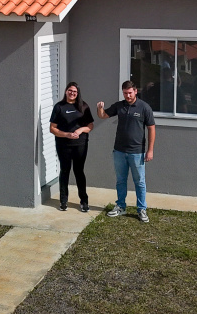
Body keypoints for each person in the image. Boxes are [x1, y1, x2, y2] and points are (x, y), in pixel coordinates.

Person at [97, 80, 156, 223]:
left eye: (130, 93)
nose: (127, 96)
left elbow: (151, 128)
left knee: (139, 182)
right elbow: (103, 116)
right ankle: (121, 206)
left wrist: (150, 150)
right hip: (119, 151)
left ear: (135, 91)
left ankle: (141, 209)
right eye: (125, 93)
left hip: (137, 152)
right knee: (121, 180)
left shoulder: (144, 107)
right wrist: (100, 108)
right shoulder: (120, 106)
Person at [49, 82, 94, 212]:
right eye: (70, 90)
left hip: (80, 145)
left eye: (74, 91)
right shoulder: (59, 107)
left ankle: (84, 201)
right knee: (65, 171)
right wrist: (66, 134)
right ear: (66, 91)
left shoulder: (83, 106)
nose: (72, 93)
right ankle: (63, 201)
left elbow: (90, 126)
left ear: (78, 93)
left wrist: (80, 130)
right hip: (64, 145)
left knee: (79, 171)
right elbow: (52, 128)